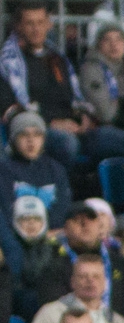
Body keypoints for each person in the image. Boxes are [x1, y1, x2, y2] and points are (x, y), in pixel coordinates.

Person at [0, 3, 115, 168]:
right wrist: (51, 123)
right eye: (30, 23)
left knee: (116, 139)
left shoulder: (57, 58)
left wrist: (83, 117)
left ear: (49, 24)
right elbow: (10, 109)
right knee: (68, 144)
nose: (36, 29)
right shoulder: (7, 62)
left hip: (73, 126)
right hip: (36, 130)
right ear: (18, 26)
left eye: (40, 22)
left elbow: (74, 97)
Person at [0, 112, 70, 277]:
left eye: (37, 135)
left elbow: (62, 206)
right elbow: (5, 208)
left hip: (48, 232)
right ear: (13, 139)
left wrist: (41, 231)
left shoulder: (56, 170)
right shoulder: (4, 169)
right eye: (24, 135)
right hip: (14, 234)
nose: (31, 141)